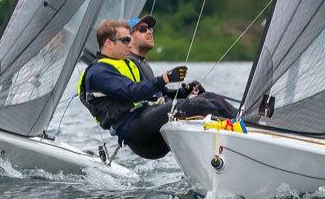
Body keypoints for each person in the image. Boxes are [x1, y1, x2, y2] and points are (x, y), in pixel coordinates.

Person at [78, 20, 236, 160]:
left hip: (148, 120)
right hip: (138, 133)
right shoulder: (98, 72)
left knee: (207, 97)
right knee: (199, 105)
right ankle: (238, 134)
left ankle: (247, 121)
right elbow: (131, 91)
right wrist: (165, 78)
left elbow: (153, 93)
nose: (129, 43)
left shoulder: (127, 65)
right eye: (125, 39)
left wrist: (182, 92)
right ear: (109, 43)